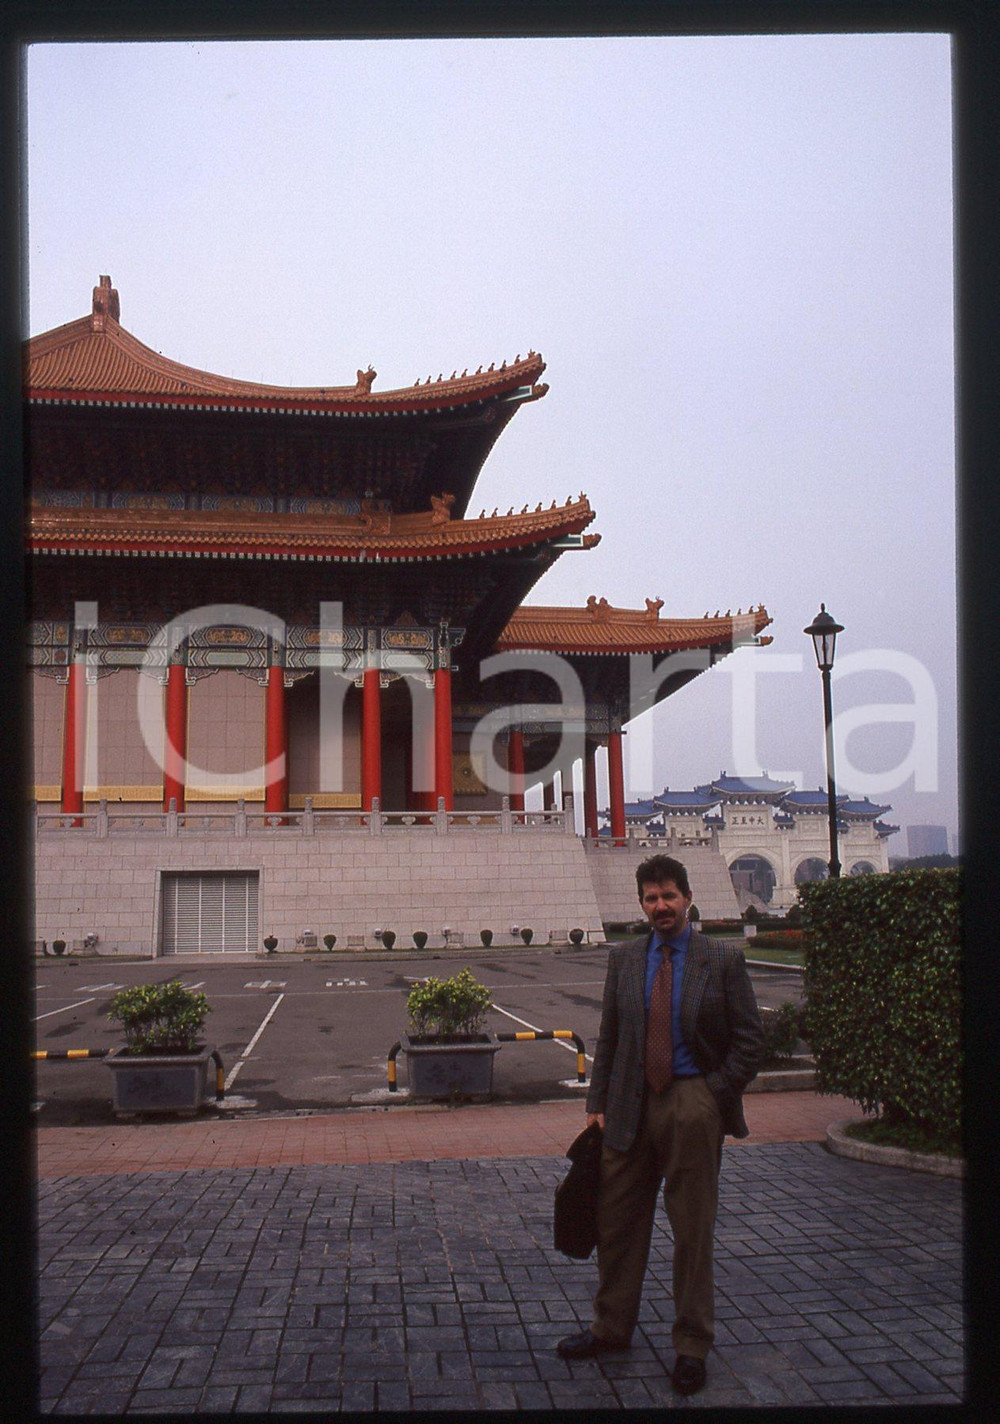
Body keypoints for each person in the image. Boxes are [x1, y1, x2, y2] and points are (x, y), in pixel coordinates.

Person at [557, 853, 765, 1396]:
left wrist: (713, 1094)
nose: (660, 906)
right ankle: (610, 1327)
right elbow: (610, 1035)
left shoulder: (720, 959)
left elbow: (750, 1039)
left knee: (691, 1229)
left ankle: (691, 1344)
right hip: (628, 1103)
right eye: (651, 898)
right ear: (641, 904)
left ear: (688, 898)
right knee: (617, 1223)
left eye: (669, 895)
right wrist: (596, 1100)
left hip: (690, 1102)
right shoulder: (625, 959)